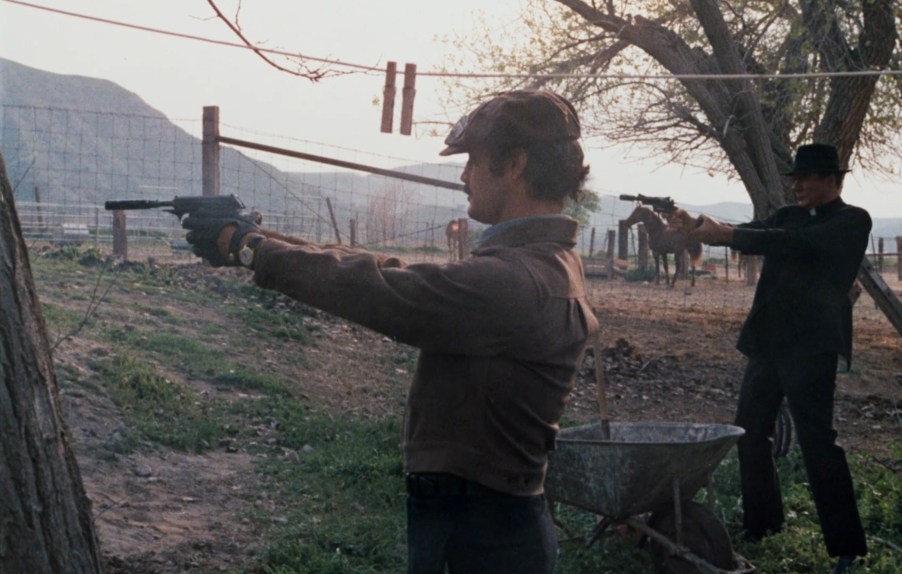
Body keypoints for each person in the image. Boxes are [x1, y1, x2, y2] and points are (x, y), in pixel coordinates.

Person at [181, 89, 598, 574]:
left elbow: (386, 290)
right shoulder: (541, 264)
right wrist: (264, 239)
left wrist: (251, 249)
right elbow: (396, 272)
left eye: (475, 161)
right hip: (489, 518)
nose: (464, 176)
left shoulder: (514, 280)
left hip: (479, 530)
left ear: (515, 164)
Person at [690, 143, 870, 574]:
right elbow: (758, 233)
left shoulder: (852, 221)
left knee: (817, 443)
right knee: (750, 435)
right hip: (768, 343)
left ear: (832, 180)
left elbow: (796, 244)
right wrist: (695, 225)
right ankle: (763, 524)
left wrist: (728, 234)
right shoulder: (787, 216)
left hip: (811, 347)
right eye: (795, 180)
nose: (798, 187)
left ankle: (847, 546)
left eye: (806, 179)